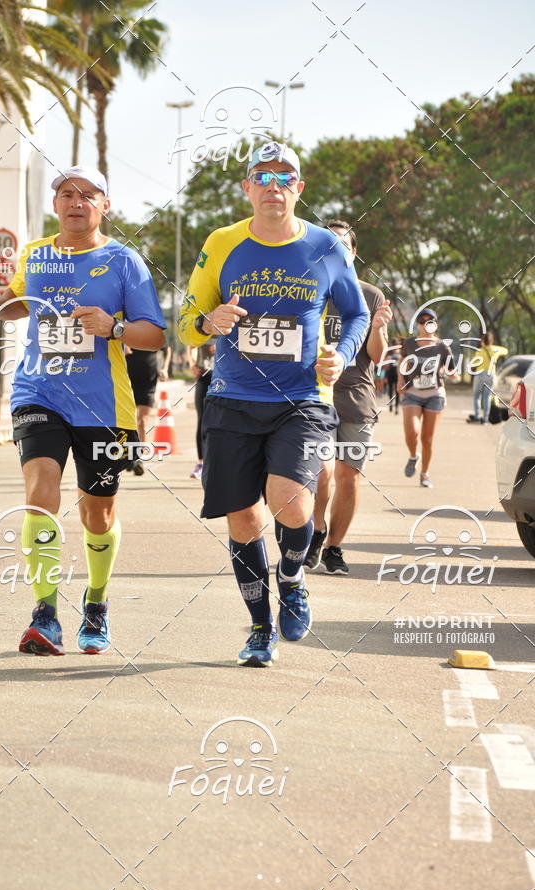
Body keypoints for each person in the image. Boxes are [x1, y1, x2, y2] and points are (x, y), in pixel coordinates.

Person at [178, 141, 369, 668]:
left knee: (292, 503)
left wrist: (342, 355)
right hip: (233, 399)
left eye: (285, 178)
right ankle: (261, 628)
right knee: (242, 518)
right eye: (262, 177)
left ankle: (292, 576)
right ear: (246, 187)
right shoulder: (221, 243)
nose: (273, 186)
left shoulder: (326, 247)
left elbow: (357, 314)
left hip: (302, 399)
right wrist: (206, 322)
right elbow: (187, 319)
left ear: (299, 189)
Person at [0, 165, 165, 655]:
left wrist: (113, 327)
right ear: (55, 205)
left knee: (97, 516)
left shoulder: (124, 262)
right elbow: (19, 304)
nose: (76, 202)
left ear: (105, 206)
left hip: (103, 405)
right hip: (39, 392)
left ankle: (95, 603)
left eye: (88, 195)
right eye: (67, 194)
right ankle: (45, 614)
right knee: (39, 494)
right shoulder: (35, 255)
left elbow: (155, 335)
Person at [304, 221, 391, 575]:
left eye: (342, 245)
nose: (336, 251)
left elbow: (377, 356)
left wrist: (380, 328)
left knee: (349, 476)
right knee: (320, 473)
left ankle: (334, 548)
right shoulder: (308, 289)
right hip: (315, 395)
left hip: (356, 397)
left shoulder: (370, 295)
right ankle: (317, 530)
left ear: (353, 253)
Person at [398, 308, 459, 488]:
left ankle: (425, 474)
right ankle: (412, 456)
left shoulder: (442, 346)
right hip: (412, 393)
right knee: (412, 433)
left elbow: (451, 369)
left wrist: (453, 374)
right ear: (417, 325)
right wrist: (400, 379)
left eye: (430, 321)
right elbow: (402, 362)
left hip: (435, 394)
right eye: (422, 321)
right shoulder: (409, 343)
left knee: (427, 438)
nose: (426, 324)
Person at [125, 343, 171, 475]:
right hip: (128, 382)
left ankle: (138, 458)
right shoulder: (127, 327)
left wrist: (165, 368)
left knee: (142, 421)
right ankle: (129, 456)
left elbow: (167, 348)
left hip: (148, 383)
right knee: (128, 421)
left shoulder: (153, 327)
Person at [186, 342, 216, 479]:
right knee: (202, 420)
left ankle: (221, 463)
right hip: (204, 376)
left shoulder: (231, 325)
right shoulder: (204, 323)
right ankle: (201, 463)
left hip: (224, 378)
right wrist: (192, 363)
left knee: (225, 420)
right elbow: (190, 345)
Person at [467, 332, 508, 424]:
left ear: (482, 341)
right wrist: (492, 346)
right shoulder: (495, 350)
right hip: (491, 375)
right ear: (491, 341)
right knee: (487, 397)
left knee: (477, 396)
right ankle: (485, 419)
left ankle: (477, 416)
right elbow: (506, 351)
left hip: (480, 375)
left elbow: (473, 364)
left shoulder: (479, 351)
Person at [383, 336, 402, 414]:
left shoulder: (401, 353)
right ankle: (391, 403)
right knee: (390, 390)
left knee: (397, 391)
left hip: (398, 374)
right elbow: (384, 365)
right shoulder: (389, 352)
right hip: (390, 373)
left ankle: (397, 407)